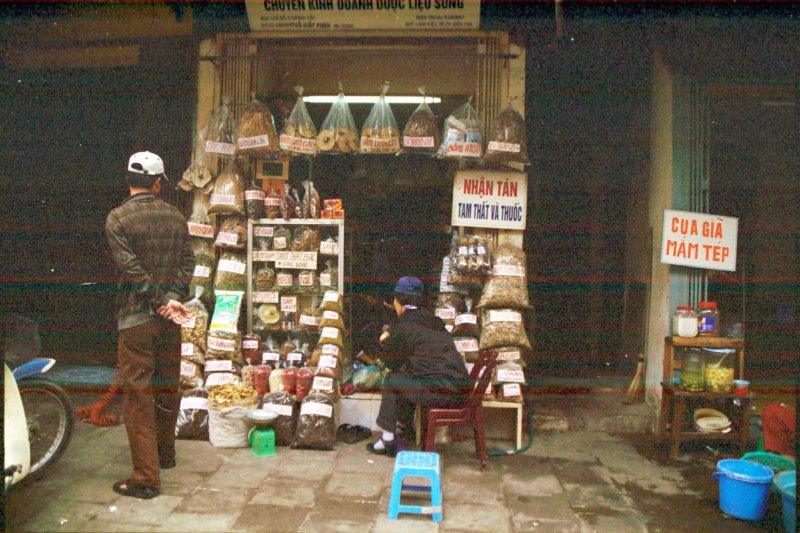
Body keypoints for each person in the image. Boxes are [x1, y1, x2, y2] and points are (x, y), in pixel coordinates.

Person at [105, 151, 195, 499]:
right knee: (166, 386)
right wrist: (171, 298)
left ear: (128, 180)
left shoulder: (117, 219)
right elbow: (189, 261)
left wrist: (158, 301)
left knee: (139, 396)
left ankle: (145, 479)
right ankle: (165, 454)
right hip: (169, 317)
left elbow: (131, 271)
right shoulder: (175, 215)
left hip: (136, 320)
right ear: (158, 183)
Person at [367, 276, 470, 456]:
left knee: (393, 380)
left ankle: (388, 439)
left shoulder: (405, 325)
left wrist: (385, 341)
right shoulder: (433, 320)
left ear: (397, 302)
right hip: (457, 388)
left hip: (442, 392)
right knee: (407, 379)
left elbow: (391, 362)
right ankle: (402, 428)